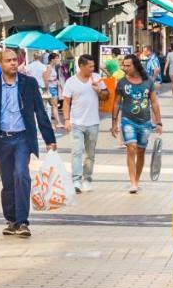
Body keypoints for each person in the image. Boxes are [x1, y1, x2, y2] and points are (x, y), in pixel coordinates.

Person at [0, 48, 56, 238]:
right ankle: (11, 221)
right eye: (8, 61)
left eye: (15, 60)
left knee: (21, 174)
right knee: (8, 183)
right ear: (0, 64)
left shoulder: (29, 84)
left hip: (22, 138)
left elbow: (40, 111)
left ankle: (22, 221)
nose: (13, 63)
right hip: (1, 140)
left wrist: (50, 139)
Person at [111, 53, 163, 193]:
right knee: (131, 147)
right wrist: (114, 122)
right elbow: (116, 103)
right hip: (128, 120)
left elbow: (154, 102)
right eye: (124, 65)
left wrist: (158, 122)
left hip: (145, 122)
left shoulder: (148, 82)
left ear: (136, 66)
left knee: (141, 151)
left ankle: (137, 180)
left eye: (128, 65)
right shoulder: (122, 82)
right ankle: (132, 182)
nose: (125, 68)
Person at [62, 54, 107, 193]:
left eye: (93, 66)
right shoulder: (71, 82)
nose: (93, 68)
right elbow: (66, 102)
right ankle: (76, 180)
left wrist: (98, 89)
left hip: (93, 122)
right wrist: (67, 120)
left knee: (90, 154)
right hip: (76, 122)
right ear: (81, 66)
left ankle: (87, 179)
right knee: (76, 152)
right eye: (90, 66)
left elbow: (107, 95)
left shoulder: (97, 78)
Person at [44, 52, 63, 129]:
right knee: (54, 106)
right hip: (51, 88)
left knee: (53, 106)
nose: (58, 59)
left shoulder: (53, 67)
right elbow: (46, 78)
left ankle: (55, 123)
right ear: (52, 59)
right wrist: (47, 89)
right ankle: (57, 123)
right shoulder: (49, 67)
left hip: (54, 88)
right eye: (56, 58)